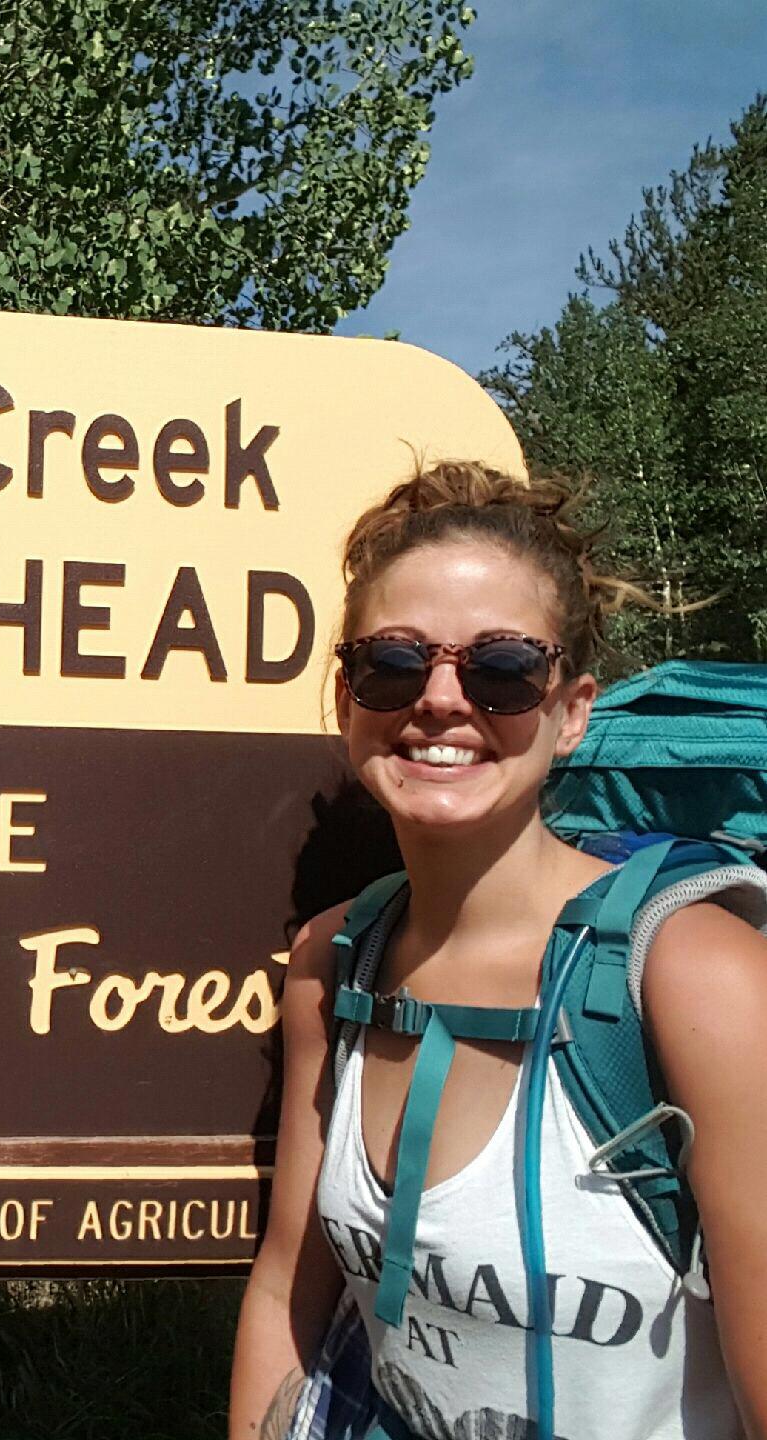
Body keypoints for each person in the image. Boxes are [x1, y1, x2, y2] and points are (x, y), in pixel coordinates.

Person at [229, 463, 767, 1439]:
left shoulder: (696, 976)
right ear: (347, 694)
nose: (439, 700)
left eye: (500, 668)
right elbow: (282, 1299)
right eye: (393, 663)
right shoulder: (329, 963)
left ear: (569, 711)